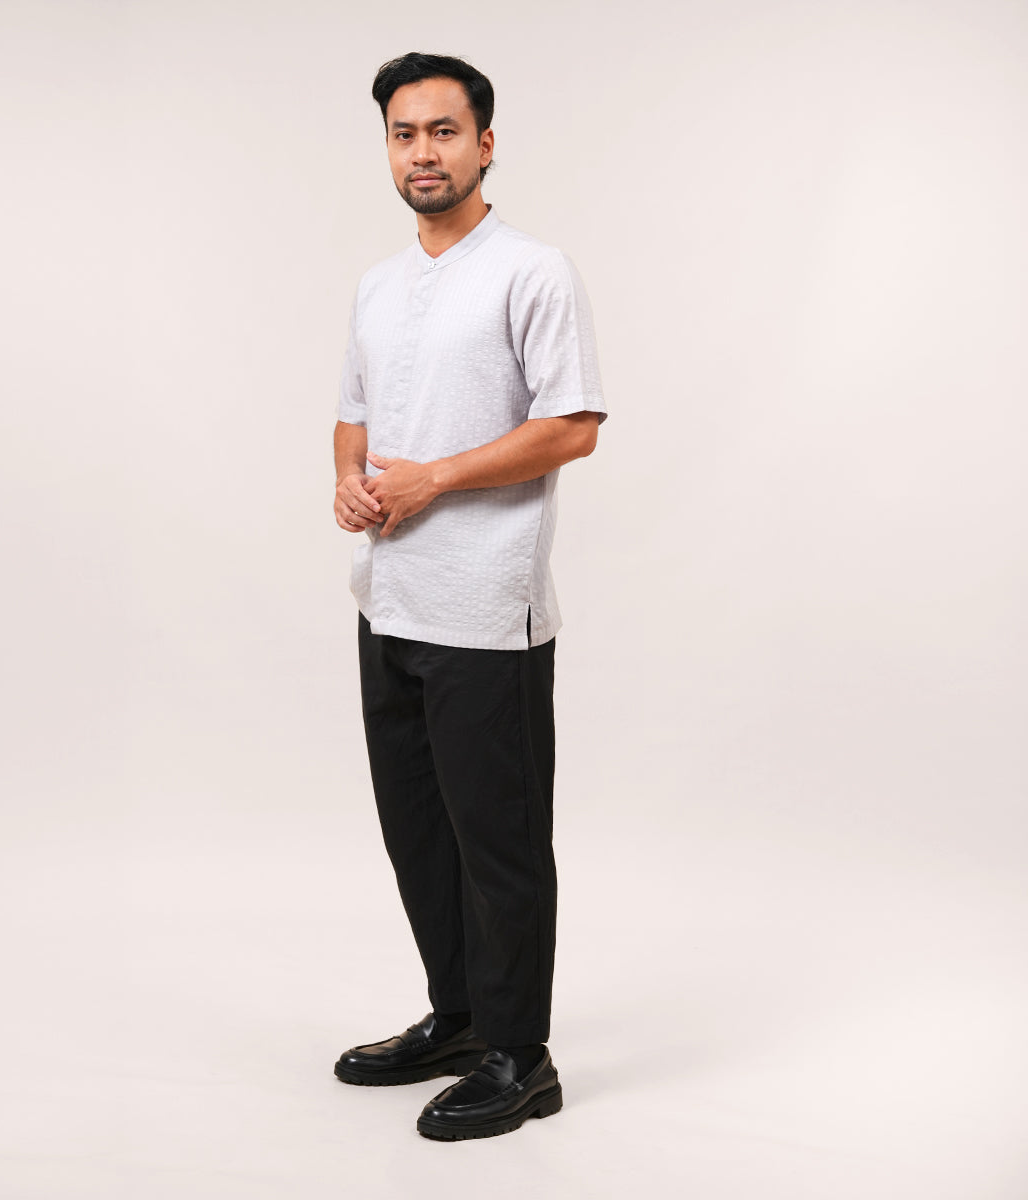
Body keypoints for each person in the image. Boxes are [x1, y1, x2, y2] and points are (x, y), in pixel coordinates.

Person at [331, 51, 606, 1142]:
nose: (423, 152)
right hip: (387, 600)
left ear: (485, 144)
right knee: (418, 832)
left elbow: (572, 426)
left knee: (499, 843)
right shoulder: (377, 283)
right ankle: (459, 1019)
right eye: (404, 134)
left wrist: (434, 478)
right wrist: (349, 482)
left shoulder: (532, 271)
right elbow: (353, 413)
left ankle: (520, 1055)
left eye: (443, 132)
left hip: (488, 610)